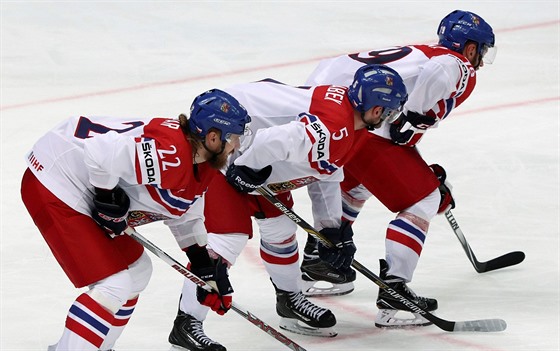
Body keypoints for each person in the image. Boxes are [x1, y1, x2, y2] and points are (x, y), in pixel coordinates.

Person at [167, 64, 408, 350]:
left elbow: (326, 173)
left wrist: (331, 229)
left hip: (252, 151)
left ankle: (289, 299)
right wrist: (245, 168)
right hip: (226, 147)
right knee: (226, 239)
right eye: (390, 112)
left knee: (280, 228)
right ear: (377, 110)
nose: (388, 120)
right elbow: (275, 140)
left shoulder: (349, 125)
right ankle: (186, 324)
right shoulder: (336, 126)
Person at [300, 9, 496, 328]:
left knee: (358, 183)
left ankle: (319, 262)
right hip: (356, 119)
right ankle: (395, 292)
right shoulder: (456, 62)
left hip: (326, 107)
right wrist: (415, 123)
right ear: (471, 48)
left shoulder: (420, 54)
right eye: (481, 52)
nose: (481, 62)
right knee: (423, 200)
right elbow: (433, 81)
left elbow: (397, 131)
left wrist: (417, 162)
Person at [21, 89, 251, 351]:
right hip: (55, 179)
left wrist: (202, 262)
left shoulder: (200, 161)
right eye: (234, 137)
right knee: (114, 283)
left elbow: (184, 208)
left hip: (77, 183)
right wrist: (106, 195)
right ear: (212, 137)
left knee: (137, 271)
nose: (237, 146)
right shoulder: (171, 153)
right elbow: (99, 153)